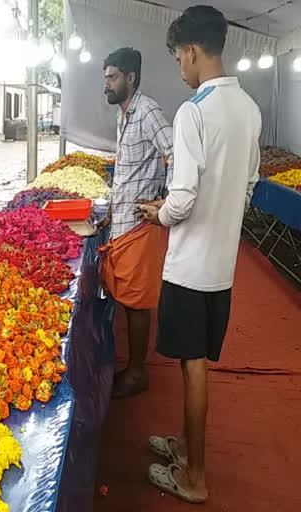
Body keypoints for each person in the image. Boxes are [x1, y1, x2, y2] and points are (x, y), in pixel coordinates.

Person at [137, 6, 261, 503]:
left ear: (189, 51)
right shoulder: (249, 109)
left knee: (193, 366)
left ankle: (194, 477)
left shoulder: (195, 111)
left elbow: (183, 196)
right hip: (222, 268)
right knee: (199, 361)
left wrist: (159, 214)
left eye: (177, 59)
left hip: (189, 267)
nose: (179, 69)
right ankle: (186, 448)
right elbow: (249, 185)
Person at [98, 47, 174, 399]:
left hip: (141, 225)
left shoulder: (147, 111)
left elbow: (174, 153)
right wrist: (114, 203)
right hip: (124, 220)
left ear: (131, 78)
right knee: (127, 297)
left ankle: (137, 372)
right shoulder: (125, 114)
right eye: (106, 78)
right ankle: (130, 364)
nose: (106, 85)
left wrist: (167, 200)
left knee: (138, 301)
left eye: (112, 77)